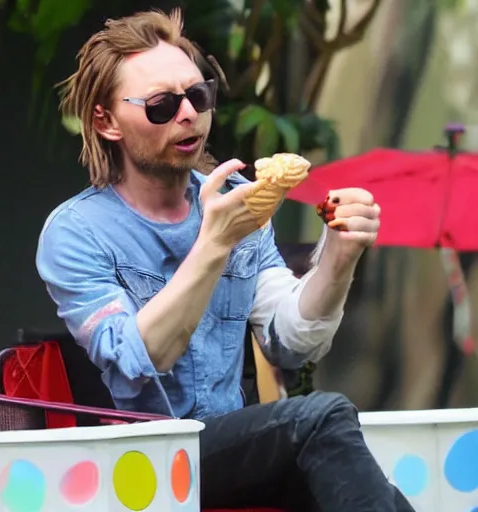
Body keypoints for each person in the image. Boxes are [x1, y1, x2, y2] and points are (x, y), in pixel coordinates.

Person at [36, 9, 414, 512]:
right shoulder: (75, 232)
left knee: (354, 476)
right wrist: (213, 243)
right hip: (141, 463)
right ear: (106, 121)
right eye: (161, 105)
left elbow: (291, 344)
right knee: (320, 418)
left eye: (198, 95)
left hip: (229, 447)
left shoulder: (239, 201)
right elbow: (141, 359)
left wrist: (338, 256)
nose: (188, 114)